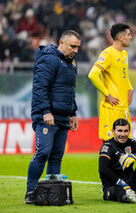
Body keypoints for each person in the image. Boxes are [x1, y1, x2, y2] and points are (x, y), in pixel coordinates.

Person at [25, 30, 81, 204]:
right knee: (42, 153)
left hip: (63, 117)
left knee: (56, 156)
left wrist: (73, 113)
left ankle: (51, 191)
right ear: (61, 43)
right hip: (47, 116)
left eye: (78, 47)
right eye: (73, 46)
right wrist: (45, 111)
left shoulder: (72, 64)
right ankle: (31, 191)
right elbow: (39, 87)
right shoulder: (49, 59)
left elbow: (70, 91)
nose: (76, 50)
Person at [88, 23, 133, 141]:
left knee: (125, 148)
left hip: (123, 108)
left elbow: (124, 75)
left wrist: (130, 88)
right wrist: (107, 94)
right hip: (111, 108)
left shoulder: (124, 54)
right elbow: (92, 74)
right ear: (121, 37)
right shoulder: (107, 54)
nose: (131, 37)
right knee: (110, 148)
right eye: (128, 34)